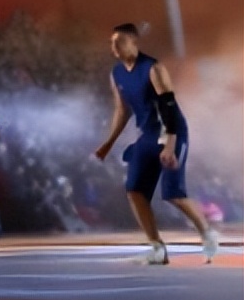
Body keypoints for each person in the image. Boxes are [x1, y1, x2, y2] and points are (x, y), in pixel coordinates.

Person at [94, 23, 220, 264]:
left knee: (173, 194)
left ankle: (207, 232)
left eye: (119, 42)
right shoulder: (117, 74)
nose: (114, 47)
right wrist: (108, 143)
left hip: (172, 131)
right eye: (112, 43)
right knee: (134, 190)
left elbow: (168, 107)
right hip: (148, 135)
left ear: (133, 42)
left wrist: (171, 144)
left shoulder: (153, 68)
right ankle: (156, 248)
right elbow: (122, 110)